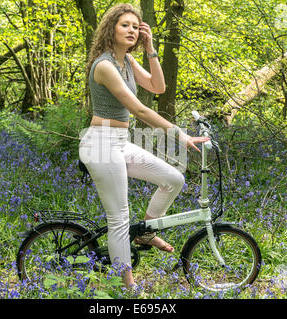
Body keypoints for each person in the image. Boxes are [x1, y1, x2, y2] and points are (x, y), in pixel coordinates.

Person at [79, 3, 208, 288]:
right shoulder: (105, 65)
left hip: (120, 143)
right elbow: (139, 111)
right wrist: (179, 134)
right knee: (119, 218)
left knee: (173, 179)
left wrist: (150, 49)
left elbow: (157, 87)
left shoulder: (125, 61)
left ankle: (145, 233)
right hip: (100, 145)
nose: (132, 30)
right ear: (111, 28)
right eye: (125, 25)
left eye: (136, 27)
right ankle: (129, 287)